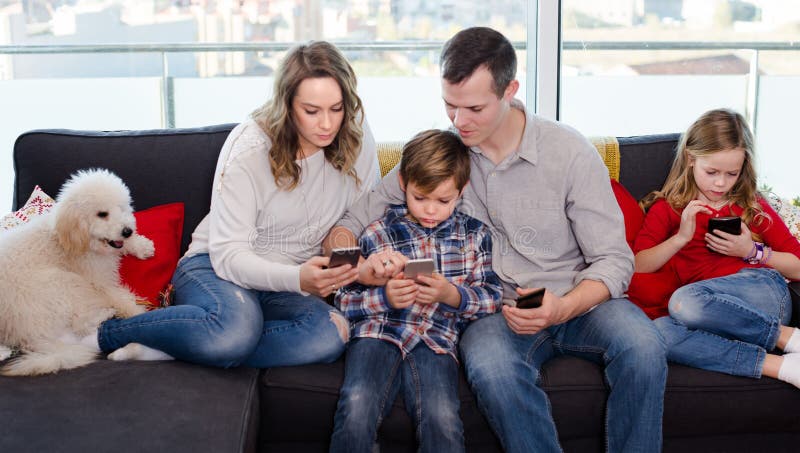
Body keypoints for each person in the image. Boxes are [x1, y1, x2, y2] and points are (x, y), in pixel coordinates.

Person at [327, 27, 666, 453]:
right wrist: (358, 267)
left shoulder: (570, 152)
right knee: (491, 369)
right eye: (449, 106)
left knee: (644, 347)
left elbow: (615, 260)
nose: (459, 121)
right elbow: (350, 222)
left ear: (510, 91)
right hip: (495, 312)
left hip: (578, 299)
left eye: (473, 108)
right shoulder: (446, 157)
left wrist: (562, 307)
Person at [82, 41, 380, 367]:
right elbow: (230, 257)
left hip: (290, 284)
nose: (327, 124)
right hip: (217, 268)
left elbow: (357, 216)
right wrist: (298, 279)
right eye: (311, 111)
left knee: (331, 334)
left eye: (336, 108)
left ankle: (181, 346)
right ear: (286, 105)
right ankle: (107, 334)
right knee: (234, 332)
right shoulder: (249, 148)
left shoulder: (355, 131)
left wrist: (345, 267)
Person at [329, 129, 503, 453]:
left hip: (436, 342)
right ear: (403, 184)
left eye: (443, 200)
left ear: (462, 190)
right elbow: (342, 298)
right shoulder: (377, 232)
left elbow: (493, 296)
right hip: (377, 334)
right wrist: (384, 297)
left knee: (443, 419)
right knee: (356, 404)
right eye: (420, 197)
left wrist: (451, 295)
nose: (430, 210)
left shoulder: (475, 236)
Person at [630, 108, 800, 388]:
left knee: (684, 301)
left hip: (762, 295)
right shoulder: (668, 209)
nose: (720, 183)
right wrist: (680, 238)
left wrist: (752, 252)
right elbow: (638, 264)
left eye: (732, 173)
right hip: (708, 314)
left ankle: (787, 337)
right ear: (690, 159)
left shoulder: (750, 206)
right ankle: (781, 366)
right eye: (711, 172)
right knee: (659, 332)